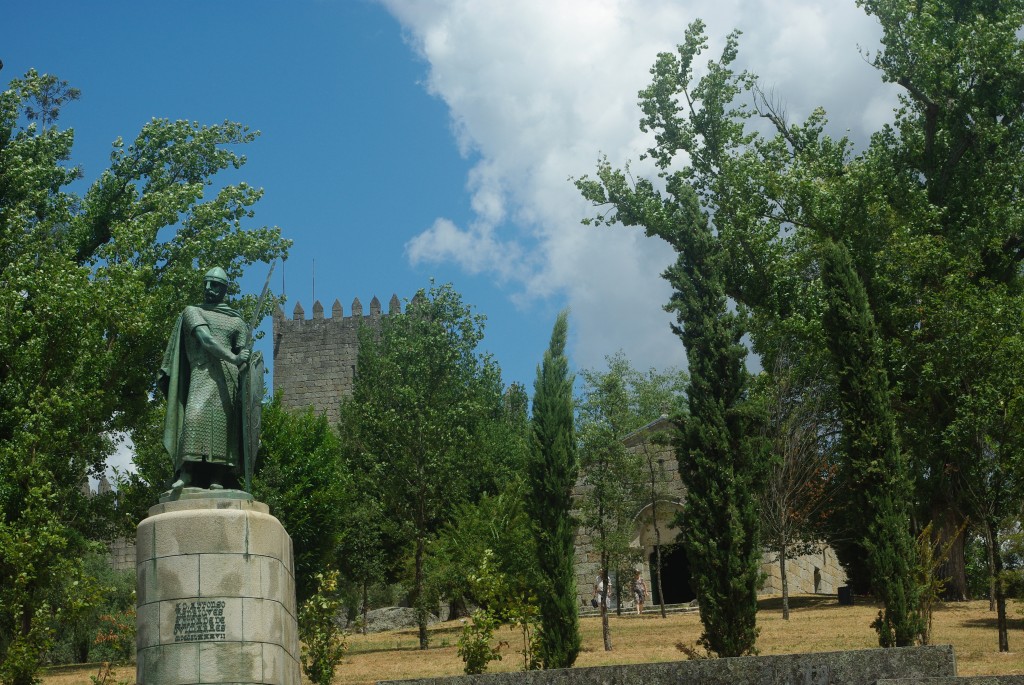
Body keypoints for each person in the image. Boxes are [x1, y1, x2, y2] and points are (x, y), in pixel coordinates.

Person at [159, 267, 250, 493]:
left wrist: (246, 361)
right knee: (194, 418)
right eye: (206, 284)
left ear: (224, 289)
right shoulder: (192, 311)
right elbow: (206, 340)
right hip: (202, 375)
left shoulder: (236, 322)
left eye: (215, 285)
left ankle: (217, 477)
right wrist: (234, 357)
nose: (209, 289)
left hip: (228, 380)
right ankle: (186, 472)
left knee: (224, 428)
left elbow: (242, 355)